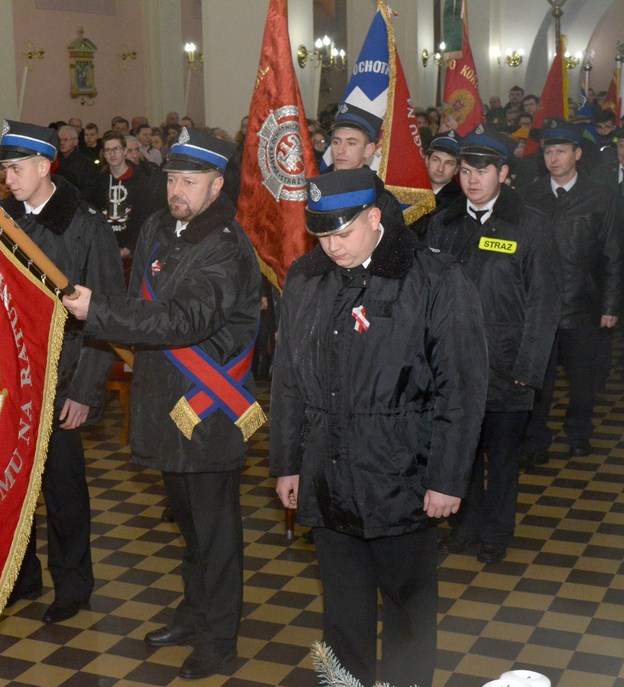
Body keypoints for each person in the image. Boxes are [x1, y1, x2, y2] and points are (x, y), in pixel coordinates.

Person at [270, 168, 487, 687]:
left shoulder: (433, 278)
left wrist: (447, 478)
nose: (332, 246)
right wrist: (287, 463)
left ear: (374, 218)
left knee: (408, 609)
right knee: (343, 613)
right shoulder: (306, 277)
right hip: (326, 469)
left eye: (342, 234)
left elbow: (462, 386)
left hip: (402, 472)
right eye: (322, 234)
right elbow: (287, 379)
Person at [62, 128, 261, 680]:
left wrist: (98, 311)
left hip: (207, 410)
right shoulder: (155, 226)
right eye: (173, 178)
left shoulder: (224, 245)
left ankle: (220, 637)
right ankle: (193, 614)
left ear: (217, 185)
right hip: (162, 404)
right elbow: (139, 299)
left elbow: (184, 321)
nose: (177, 189)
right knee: (189, 525)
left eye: (190, 181)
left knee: (217, 533)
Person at [0, 120, 123, 625]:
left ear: (46, 166)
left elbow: (105, 312)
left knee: (63, 490)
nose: (10, 177)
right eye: (5, 168)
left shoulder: (85, 224)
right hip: (12, 377)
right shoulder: (2, 217)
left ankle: (73, 584)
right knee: (14, 482)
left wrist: (87, 390)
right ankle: (22, 576)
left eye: (18, 167)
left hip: (63, 376)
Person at [425, 125, 560, 564]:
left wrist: (529, 367)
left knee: (501, 457)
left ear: (503, 173)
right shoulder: (443, 224)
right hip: (453, 365)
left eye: (482, 171)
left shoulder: (530, 225)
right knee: (460, 453)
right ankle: (465, 526)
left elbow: (544, 303)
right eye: (465, 171)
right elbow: (427, 295)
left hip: (507, 364)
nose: (472, 179)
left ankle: (496, 532)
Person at [521, 118, 624, 465]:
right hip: (539, 307)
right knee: (539, 381)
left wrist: (610, 306)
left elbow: (613, 254)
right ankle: (536, 439)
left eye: (561, 151)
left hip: (585, 303)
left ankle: (578, 433)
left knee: (583, 380)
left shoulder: (601, 196)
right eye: (549, 152)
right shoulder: (529, 195)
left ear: (577, 154)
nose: (554, 159)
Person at [326, 103, 407, 231]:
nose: (340, 150)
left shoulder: (382, 200)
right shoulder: (315, 189)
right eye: (336, 142)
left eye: (351, 143)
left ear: (368, 150)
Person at [87, 132, 158, 262]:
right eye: (108, 150)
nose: (112, 154)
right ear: (103, 154)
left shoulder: (141, 182)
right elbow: (92, 214)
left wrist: (130, 248)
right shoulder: (98, 182)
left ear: (124, 151)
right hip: (104, 249)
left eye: (116, 149)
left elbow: (146, 218)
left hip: (131, 252)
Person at [409, 131, 463, 237]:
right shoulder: (406, 191)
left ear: (457, 169)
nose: (440, 168)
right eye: (436, 160)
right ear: (426, 160)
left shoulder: (458, 204)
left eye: (449, 163)